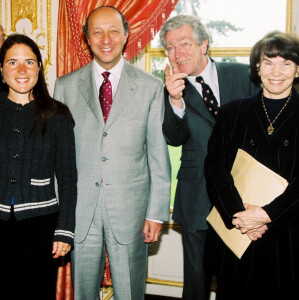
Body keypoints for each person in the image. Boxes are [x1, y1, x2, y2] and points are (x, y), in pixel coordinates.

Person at [54, 6, 171, 300]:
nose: (106, 39)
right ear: (87, 39)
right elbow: (55, 158)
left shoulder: (151, 87)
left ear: (127, 35)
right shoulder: (64, 87)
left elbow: (158, 158)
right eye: (97, 32)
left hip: (131, 213)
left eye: (113, 31)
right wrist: (59, 215)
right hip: (80, 212)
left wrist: (156, 214)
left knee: (130, 293)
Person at [160, 15, 259, 300]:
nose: (177, 54)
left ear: (204, 44)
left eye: (184, 43)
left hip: (245, 196)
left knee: (242, 278)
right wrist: (175, 101)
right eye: (170, 48)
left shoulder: (243, 75)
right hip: (196, 197)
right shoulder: (169, 89)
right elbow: (173, 138)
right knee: (196, 283)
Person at [204, 31, 299, 299]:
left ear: (298, 69)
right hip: (236, 235)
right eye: (268, 62)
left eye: (286, 63)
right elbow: (214, 167)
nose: (276, 71)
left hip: (287, 240)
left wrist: (267, 215)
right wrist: (240, 215)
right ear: (257, 67)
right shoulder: (232, 112)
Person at [0, 34, 77, 300]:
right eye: (12, 62)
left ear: (39, 67)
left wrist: (65, 231)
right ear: (1, 69)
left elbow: (68, 178)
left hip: (40, 225)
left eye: (29, 62)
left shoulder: (58, 116)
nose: (21, 70)